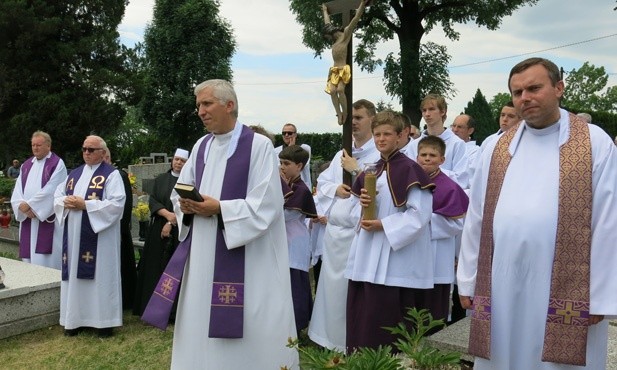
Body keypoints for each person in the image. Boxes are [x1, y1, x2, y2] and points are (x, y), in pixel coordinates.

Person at [457, 57, 617, 369]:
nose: (524, 98)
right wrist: (467, 280)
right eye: (517, 93)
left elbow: (609, 221)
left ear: (559, 88)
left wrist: (600, 295)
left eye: (534, 88)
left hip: (567, 286)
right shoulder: (497, 146)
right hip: (501, 281)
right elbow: (476, 215)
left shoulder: (593, 142)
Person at [141, 79, 299, 369]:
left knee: (251, 318)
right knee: (201, 315)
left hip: (248, 255)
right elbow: (182, 190)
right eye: (198, 105)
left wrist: (220, 209)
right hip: (202, 252)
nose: (200, 111)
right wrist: (185, 205)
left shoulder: (259, 146)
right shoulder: (200, 146)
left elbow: (267, 205)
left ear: (229, 105)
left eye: (206, 103)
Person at [345, 110, 435, 351]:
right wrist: (363, 207)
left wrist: (383, 224)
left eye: (386, 134)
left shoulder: (411, 170)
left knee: (387, 324)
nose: (381, 139)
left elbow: (419, 216)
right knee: (362, 320)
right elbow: (352, 211)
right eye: (377, 134)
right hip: (367, 257)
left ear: (400, 136)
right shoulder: (370, 170)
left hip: (395, 261)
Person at [308, 99, 380, 351]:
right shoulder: (341, 153)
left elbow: (380, 188)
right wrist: (335, 188)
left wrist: (357, 169)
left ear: (372, 119)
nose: (354, 123)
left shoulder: (379, 152)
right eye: (352, 119)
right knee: (330, 290)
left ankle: (353, 340)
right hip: (334, 234)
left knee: (352, 292)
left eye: (359, 117)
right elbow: (324, 184)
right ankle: (328, 338)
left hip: (358, 233)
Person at [54, 135, 125, 338]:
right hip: (74, 238)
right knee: (74, 276)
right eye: (84, 148)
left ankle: (103, 322)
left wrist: (85, 205)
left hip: (100, 238)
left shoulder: (112, 175)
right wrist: (65, 202)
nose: (86, 152)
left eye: (91, 149)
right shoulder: (73, 174)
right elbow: (57, 197)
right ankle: (74, 320)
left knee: (100, 276)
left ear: (103, 153)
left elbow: (117, 204)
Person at [416, 136, 468, 324]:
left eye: (432, 155)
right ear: (417, 157)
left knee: (433, 307)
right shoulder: (410, 181)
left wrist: (423, 221)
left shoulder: (450, 187)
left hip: (437, 254)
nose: (427, 159)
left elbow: (457, 223)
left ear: (442, 160)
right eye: (423, 155)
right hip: (413, 252)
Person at [132, 149, 189, 316]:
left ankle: (173, 312)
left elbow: (188, 204)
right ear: (172, 160)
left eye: (183, 161)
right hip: (158, 228)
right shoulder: (161, 179)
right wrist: (168, 216)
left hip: (181, 230)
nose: (179, 163)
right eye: (177, 159)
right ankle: (152, 307)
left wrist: (172, 222)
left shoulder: (190, 181)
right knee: (155, 267)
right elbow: (153, 200)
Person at [11, 131, 67, 269]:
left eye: (39, 145)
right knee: (28, 260)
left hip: (46, 219)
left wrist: (32, 207)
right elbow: (18, 189)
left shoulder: (57, 164)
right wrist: (21, 206)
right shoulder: (26, 165)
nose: (35, 148)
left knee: (46, 262)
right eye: (33, 145)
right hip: (28, 220)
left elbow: (53, 189)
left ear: (48, 146)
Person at [279, 145, 317, 334]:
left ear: (299, 166)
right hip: (283, 242)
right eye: (280, 163)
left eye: (287, 163)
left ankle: (297, 326)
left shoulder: (301, 189)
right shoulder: (284, 184)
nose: (282, 167)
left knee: (296, 286)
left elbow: (287, 216)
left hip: (294, 243)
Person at [407, 94, 469, 188]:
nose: (427, 114)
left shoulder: (457, 144)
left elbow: (461, 179)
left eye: (431, 109)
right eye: (424, 110)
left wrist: (433, 170)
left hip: (446, 195)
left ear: (442, 111)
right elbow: (408, 175)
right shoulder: (413, 145)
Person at [322, 0, 367, 125]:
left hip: (343, 68)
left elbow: (356, 18)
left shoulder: (344, 36)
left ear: (331, 32)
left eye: (328, 36)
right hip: (334, 69)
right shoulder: (335, 42)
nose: (328, 39)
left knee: (340, 90)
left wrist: (362, 3)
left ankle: (346, 112)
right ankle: (339, 113)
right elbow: (327, 22)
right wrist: (325, 11)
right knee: (332, 91)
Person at [104, 148, 137, 310]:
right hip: (102, 230)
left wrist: (121, 227)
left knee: (123, 264)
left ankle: (126, 299)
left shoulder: (119, 175)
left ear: (108, 158)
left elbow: (125, 204)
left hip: (118, 229)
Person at [274, 123, 312, 188]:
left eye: (289, 133)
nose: (286, 135)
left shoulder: (305, 148)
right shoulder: (275, 151)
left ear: (295, 134)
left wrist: (291, 148)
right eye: (284, 133)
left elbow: (303, 165)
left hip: (301, 184)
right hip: (283, 185)